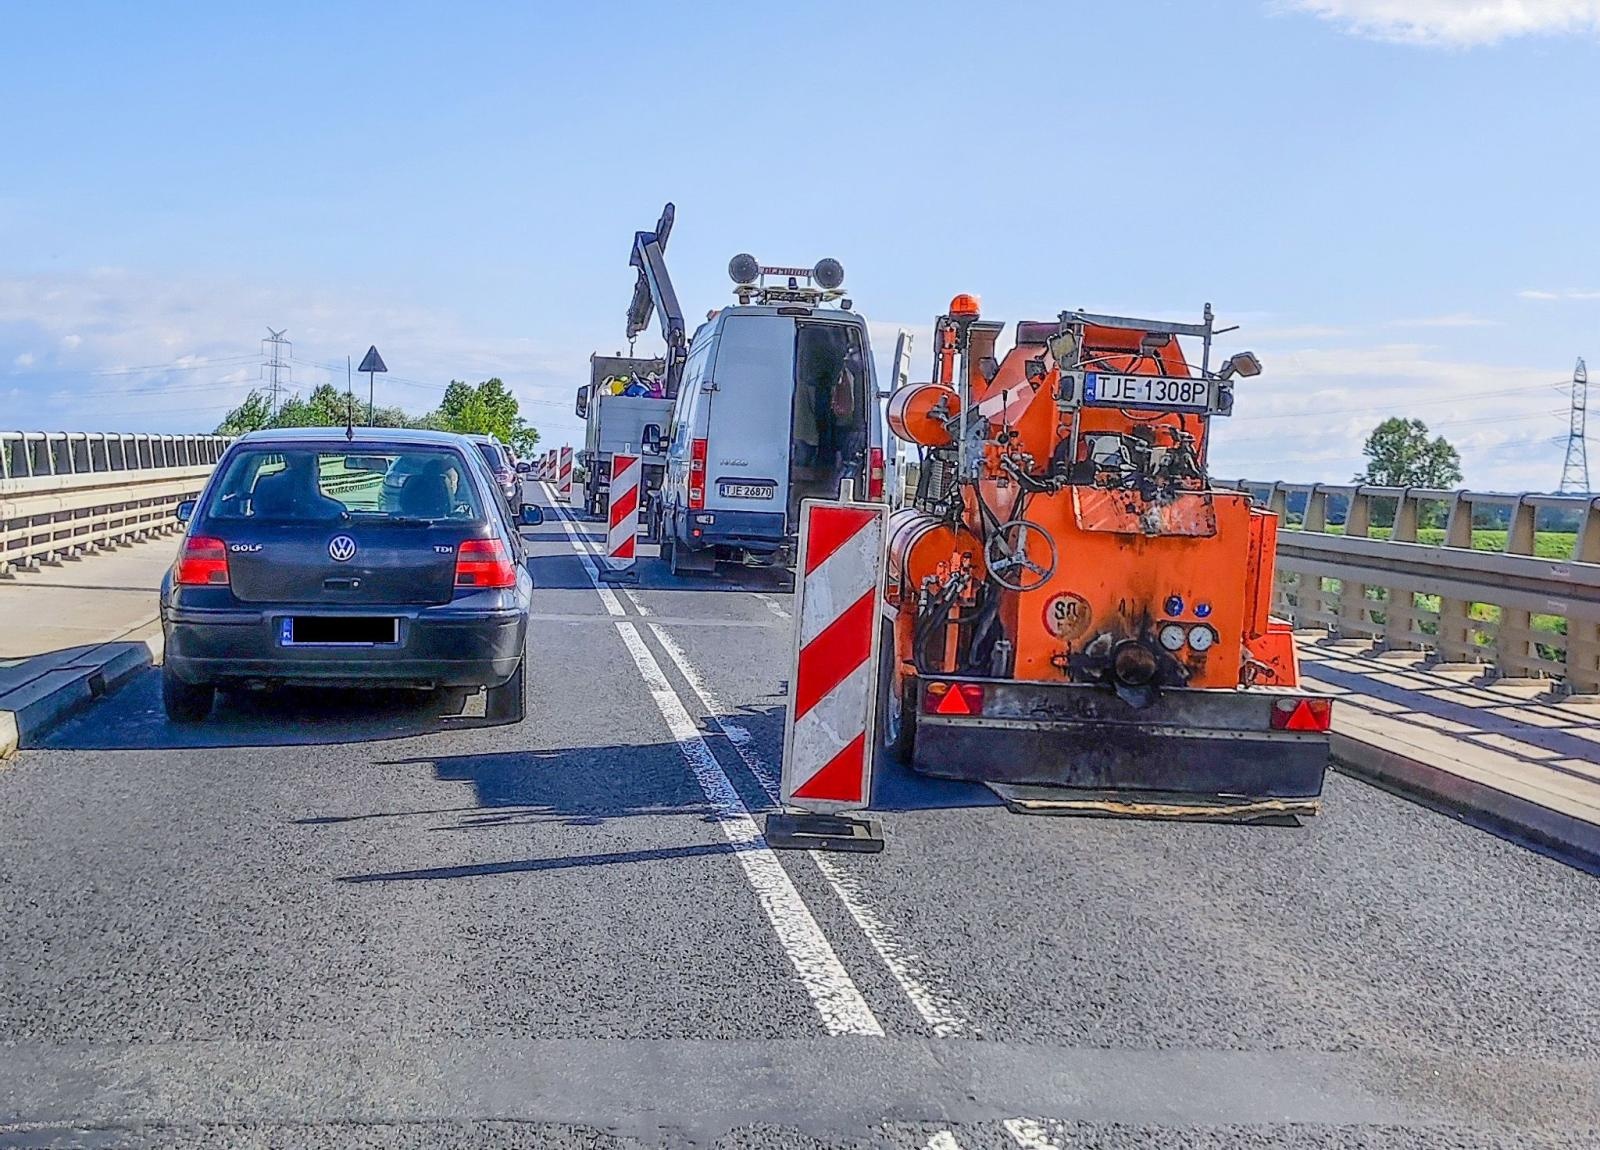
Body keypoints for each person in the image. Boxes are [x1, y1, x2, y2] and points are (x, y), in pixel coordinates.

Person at [251, 453, 344, 519]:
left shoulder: (251, 527)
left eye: (306, 469)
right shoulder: (333, 512)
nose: (301, 477)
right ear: (318, 472)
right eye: (297, 471)